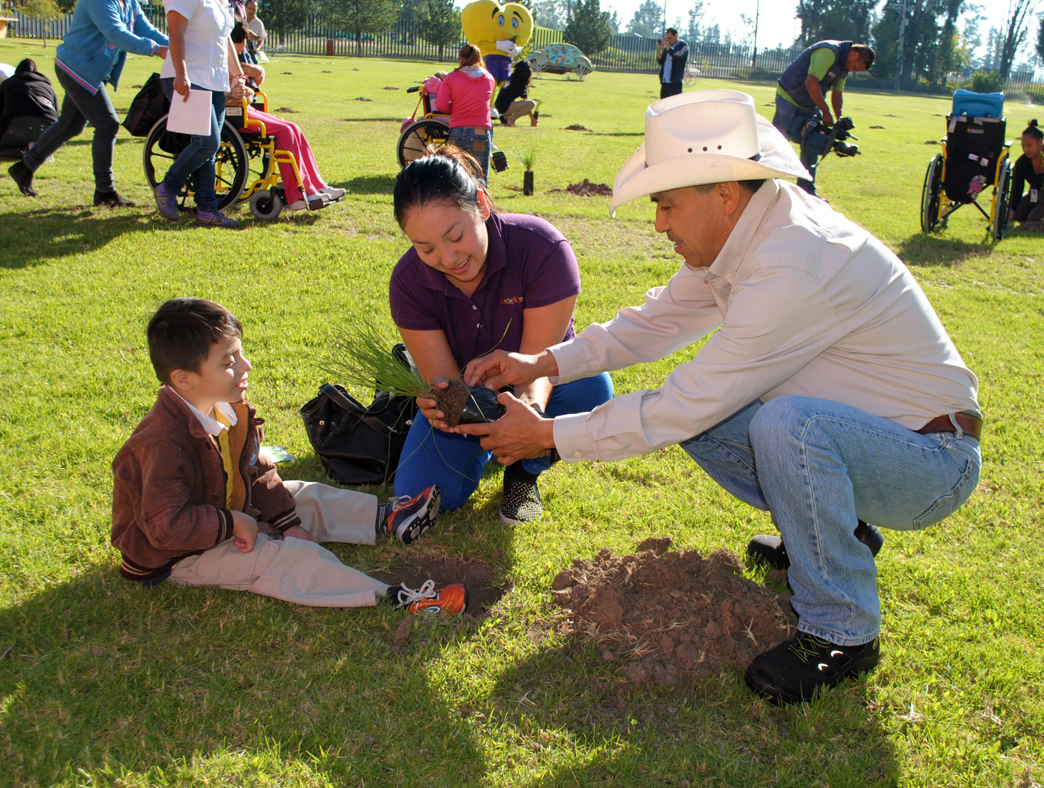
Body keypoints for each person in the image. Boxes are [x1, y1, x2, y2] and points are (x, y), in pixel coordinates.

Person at [458, 91, 982, 705]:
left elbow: (689, 399)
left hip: (929, 462)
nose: (659, 224)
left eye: (667, 205)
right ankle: (833, 536)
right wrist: (542, 360)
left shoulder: (792, 261)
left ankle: (842, 630)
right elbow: (653, 323)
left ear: (724, 195)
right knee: (730, 421)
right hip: (873, 441)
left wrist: (548, 435)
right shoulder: (748, 236)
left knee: (780, 421)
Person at [112, 297, 468, 614]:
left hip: (228, 509)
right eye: (228, 362)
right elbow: (165, 529)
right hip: (182, 556)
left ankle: (386, 519)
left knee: (304, 494)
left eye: (241, 353)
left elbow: (256, 470)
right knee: (283, 558)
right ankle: (397, 598)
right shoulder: (160, 442)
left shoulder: (229, 409)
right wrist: (234, 523)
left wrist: (289, 523)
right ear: (184, 379)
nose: (246, 365)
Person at [389, 148, 614, 525]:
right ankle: (491, 448)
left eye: (455, 236)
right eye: (425, 248)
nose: (447, 258)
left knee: (592, 389)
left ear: (480, 204)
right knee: (417, 497)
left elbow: (538, 369)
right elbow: (448, 385)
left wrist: (527, 425)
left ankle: (525, 472)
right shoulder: (408, 282)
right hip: (471, 402)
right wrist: (444, 403)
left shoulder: (543, 248)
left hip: (542, 385)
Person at [6, 0, 168, 205]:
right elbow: (116, 33)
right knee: (107, 124)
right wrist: (158, 50)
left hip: (89, 72)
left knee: (70, 125)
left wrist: (176, 46)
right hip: (76, 70)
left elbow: (147, 30)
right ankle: (105, 192)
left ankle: (24, 168)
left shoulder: (130, 2)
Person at [230, 24, 344, 210]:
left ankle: (318, 186)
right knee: (284, 131)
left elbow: (250, 87)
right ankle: (299, 194)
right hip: (236, 112)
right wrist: (246, 91)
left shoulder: (236, 57)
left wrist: (251, 84)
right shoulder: (225, 57)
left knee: (292, 127)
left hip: (245, 109)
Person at [154, 0, 248, 228]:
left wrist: (237, 77)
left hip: (213, 81)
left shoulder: (222, 2)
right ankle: (168, 187)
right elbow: (175, 31)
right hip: (188, 79)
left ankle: (207, 210)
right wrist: (181, 73)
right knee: (207, 143)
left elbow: (224, 41)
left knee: (211, 148)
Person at [772, 40, 874, 196]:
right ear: (854, 54)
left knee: (811, 142)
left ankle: (807, 191)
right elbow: (811, 81)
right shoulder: (828, 52)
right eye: (854, 67)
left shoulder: (843, 67)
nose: (852, 70)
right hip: (789, 97)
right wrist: (825, 112)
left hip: (810, 102)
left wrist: (838, 118)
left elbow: (837, 94)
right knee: (779, 143)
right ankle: (769, 185)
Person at [434, 45, 495, 182]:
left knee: (456, 178)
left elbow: (441, 104)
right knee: (480, 176)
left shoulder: (452, 77)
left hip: (458, 129)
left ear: (461, 58)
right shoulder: (489, 78)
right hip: (480, 131)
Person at [0, 59, 59, 159]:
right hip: (48, 130)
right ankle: (38, 150)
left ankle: (27, 150)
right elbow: (57, 114)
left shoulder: (8, 83)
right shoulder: (49, 88)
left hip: (20, 126)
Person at [1008, 119, 1044, 229]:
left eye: (1029, 145)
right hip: (1036, 194)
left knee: (1033, 218)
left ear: (1040, 142)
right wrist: (1011, 209)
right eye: (1023, 146)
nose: (1026, 149)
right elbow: (1016, 188)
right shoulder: (1022, 163)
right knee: (1018, 215)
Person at [494, 60, 537, 127]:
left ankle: (505, 118)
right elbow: (525, 101)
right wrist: (532, 119)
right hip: (504, 107)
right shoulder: (521, 82)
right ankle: (511, 119)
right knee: (531, 104)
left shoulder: (512, 77)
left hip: (498, 106)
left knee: (513, 101)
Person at [656, 28, 688, 100]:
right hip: (665, 81)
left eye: (670, 38)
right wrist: (659, 50)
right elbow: (660, 61)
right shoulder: (667, 48)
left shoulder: (683, 46)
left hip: (675, 81)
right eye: (667, 38)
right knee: (664, 106)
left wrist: (666, 44)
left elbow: (676, 55)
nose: (668, 40)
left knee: (674, 105)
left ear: (676, 36)